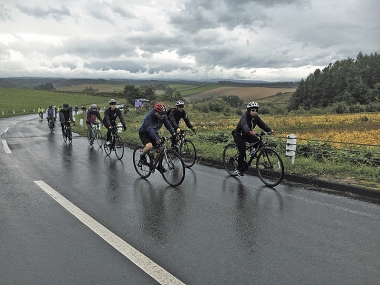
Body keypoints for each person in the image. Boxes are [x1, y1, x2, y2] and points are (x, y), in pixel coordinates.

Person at [232, 101, 274, 176]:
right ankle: (238, 169)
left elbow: (262, 124)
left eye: (256, 110)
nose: (255, 112)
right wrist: (249, 131)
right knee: (242, 151)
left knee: (259, 143)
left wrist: (269, 130)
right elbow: (244, 124)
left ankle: (252, 155)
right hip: (239, 134)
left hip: (248, 134)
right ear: (249, 110)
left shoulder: (255, 117)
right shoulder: (244, 116)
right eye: (253, 110)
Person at [138, 102, 177, 172]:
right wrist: (156, 138)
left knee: (161, 148)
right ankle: (142, 157)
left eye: (164, 113)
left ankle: (159, 166)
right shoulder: (149, 117)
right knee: (149, 146)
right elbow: (149, 128)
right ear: (156, 112)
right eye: (161, 114)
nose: (163, 115)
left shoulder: (163, 115)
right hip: (144, 132)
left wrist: (174, 133)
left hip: (153, 132)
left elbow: (168, 124)